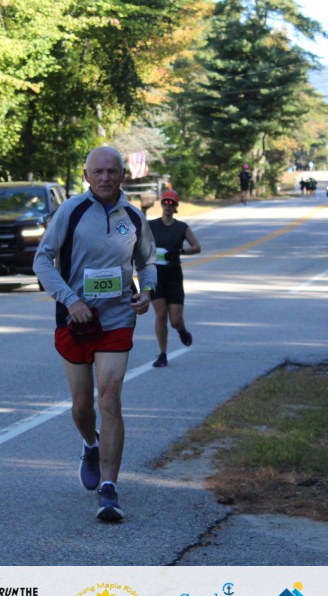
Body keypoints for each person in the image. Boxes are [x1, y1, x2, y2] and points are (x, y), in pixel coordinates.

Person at [33, 145, 157, 522]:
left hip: (117, 318)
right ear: (86, 176)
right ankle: (90, 443)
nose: (105, 178)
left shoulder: (133, 216)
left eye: (112, 171)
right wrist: (71, 300)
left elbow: (147, 261)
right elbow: (42, 260)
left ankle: (109, 488)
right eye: (98, 172)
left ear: (123, 175)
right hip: (75, 320)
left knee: (109, 397)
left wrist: (147, 292)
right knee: (82, 405)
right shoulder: (71, 211)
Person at [148, 190, 201, 368]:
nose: (168, 205)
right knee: (161, 314)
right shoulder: (151, 225)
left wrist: (180, 251)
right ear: (161, 203)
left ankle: (181, 330)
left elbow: (197, 247)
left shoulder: (181, 227)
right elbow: (137, 242)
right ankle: (162, 354)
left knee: (175, 320)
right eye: (166, 202)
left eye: (172, 203)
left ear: (176, 206)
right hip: (155, 275)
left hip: (174, 276)